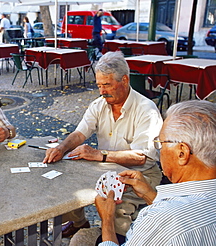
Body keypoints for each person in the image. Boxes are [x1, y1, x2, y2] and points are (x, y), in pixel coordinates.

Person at [43, 51, 163, 242]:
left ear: (124, 80)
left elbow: (142, 157)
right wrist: (61, 148)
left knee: (116, 211)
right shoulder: (100, 104)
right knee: (65, 187)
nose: (102, 91)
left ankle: (116, 239)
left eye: (106, 85)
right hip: (106, 170)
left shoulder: (146, 110)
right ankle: (79, 223)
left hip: (141, 174)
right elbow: (80, 133)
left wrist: (101, 155)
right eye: (99, 85)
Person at [92, 100, 216, 246]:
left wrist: (107, 220)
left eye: (161, 143)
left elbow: (172, 219)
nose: (159, 150)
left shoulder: (160, 220)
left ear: (182, 153)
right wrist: (150, 195)